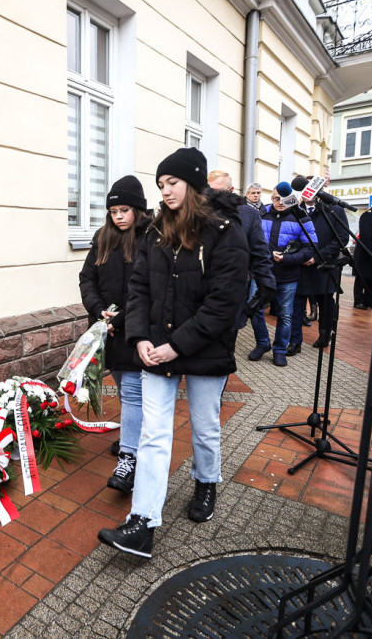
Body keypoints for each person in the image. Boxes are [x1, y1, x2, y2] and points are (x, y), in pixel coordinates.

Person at [97, 147, 249, 558]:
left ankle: (206, 482)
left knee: (204, 427)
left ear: (193, 184)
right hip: (155, 350)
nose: (164, 192)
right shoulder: (154, 232)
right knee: (153, 434)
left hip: (203, 352)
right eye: (161, 184)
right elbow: (139, 289)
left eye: (173, 183)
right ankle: (142, 523)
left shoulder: (224, 231)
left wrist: (175, 346)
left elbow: (224, 303)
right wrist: (141, 338)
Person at [78, 175, 151, 494]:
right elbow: (87, 278)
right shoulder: (102, 237)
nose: (119, 216)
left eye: (125, 210)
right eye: (114, 211)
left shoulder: (151, 238)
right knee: (124, 390)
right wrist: (98, 311)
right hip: (107, 329)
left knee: (133, 393)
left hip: (136, 330)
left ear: (138, 209)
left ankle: (129, 459)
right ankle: (133, 436)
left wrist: (120, 318)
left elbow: (151, 290)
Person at [248, 185, 318, 366]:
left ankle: (280, 350)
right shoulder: (261, 214)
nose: (280, 202)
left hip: (288, 274)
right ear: (271, 199)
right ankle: (263, 343)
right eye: (276, 198)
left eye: (284, 199)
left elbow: (310, 248)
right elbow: (250, 240)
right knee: (255, 309)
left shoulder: (301, 217)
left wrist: (286, 258)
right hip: (262, 273)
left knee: (285, 315)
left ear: (292, 199)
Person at [206, 170, 275, 326]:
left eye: (217, 191)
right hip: (203, 289)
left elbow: (260, 252)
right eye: (209, 191)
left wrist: (266, 286)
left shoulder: (248, 214)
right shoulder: (200, 212)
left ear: (230, 190)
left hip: (234, 288)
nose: (213, 196)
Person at [288, 176, 349, 352]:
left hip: (324, 266)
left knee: (325, 303)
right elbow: (290, 236)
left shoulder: (333, 210)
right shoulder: (295, 210)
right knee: (297, 304)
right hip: (299, 265)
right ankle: (295, 341)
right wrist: (300, 256)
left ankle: (324, 334)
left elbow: (341, 238)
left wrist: (317, 257)